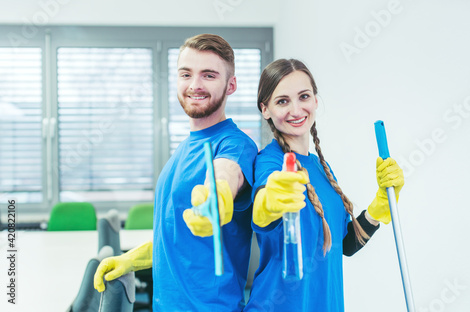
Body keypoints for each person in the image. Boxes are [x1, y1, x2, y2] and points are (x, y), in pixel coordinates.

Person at [93, 34, 258, 311]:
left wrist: (215, 199)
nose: (195, 85)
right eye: (186, 74)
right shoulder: (184, 148)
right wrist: (130, 259)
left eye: (208, 75)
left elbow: (225, 177)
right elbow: (177, 238)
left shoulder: (235, 144)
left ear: (231, 85)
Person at [244, 59, 405, 311]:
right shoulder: (271, 162)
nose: (296, 110)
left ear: (315, 101)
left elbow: (346, 245)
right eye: (282, 101)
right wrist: (269, 203)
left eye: (304, 96)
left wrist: (379, 206)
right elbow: (263, 209)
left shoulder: (322, 167)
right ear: (265, 109)